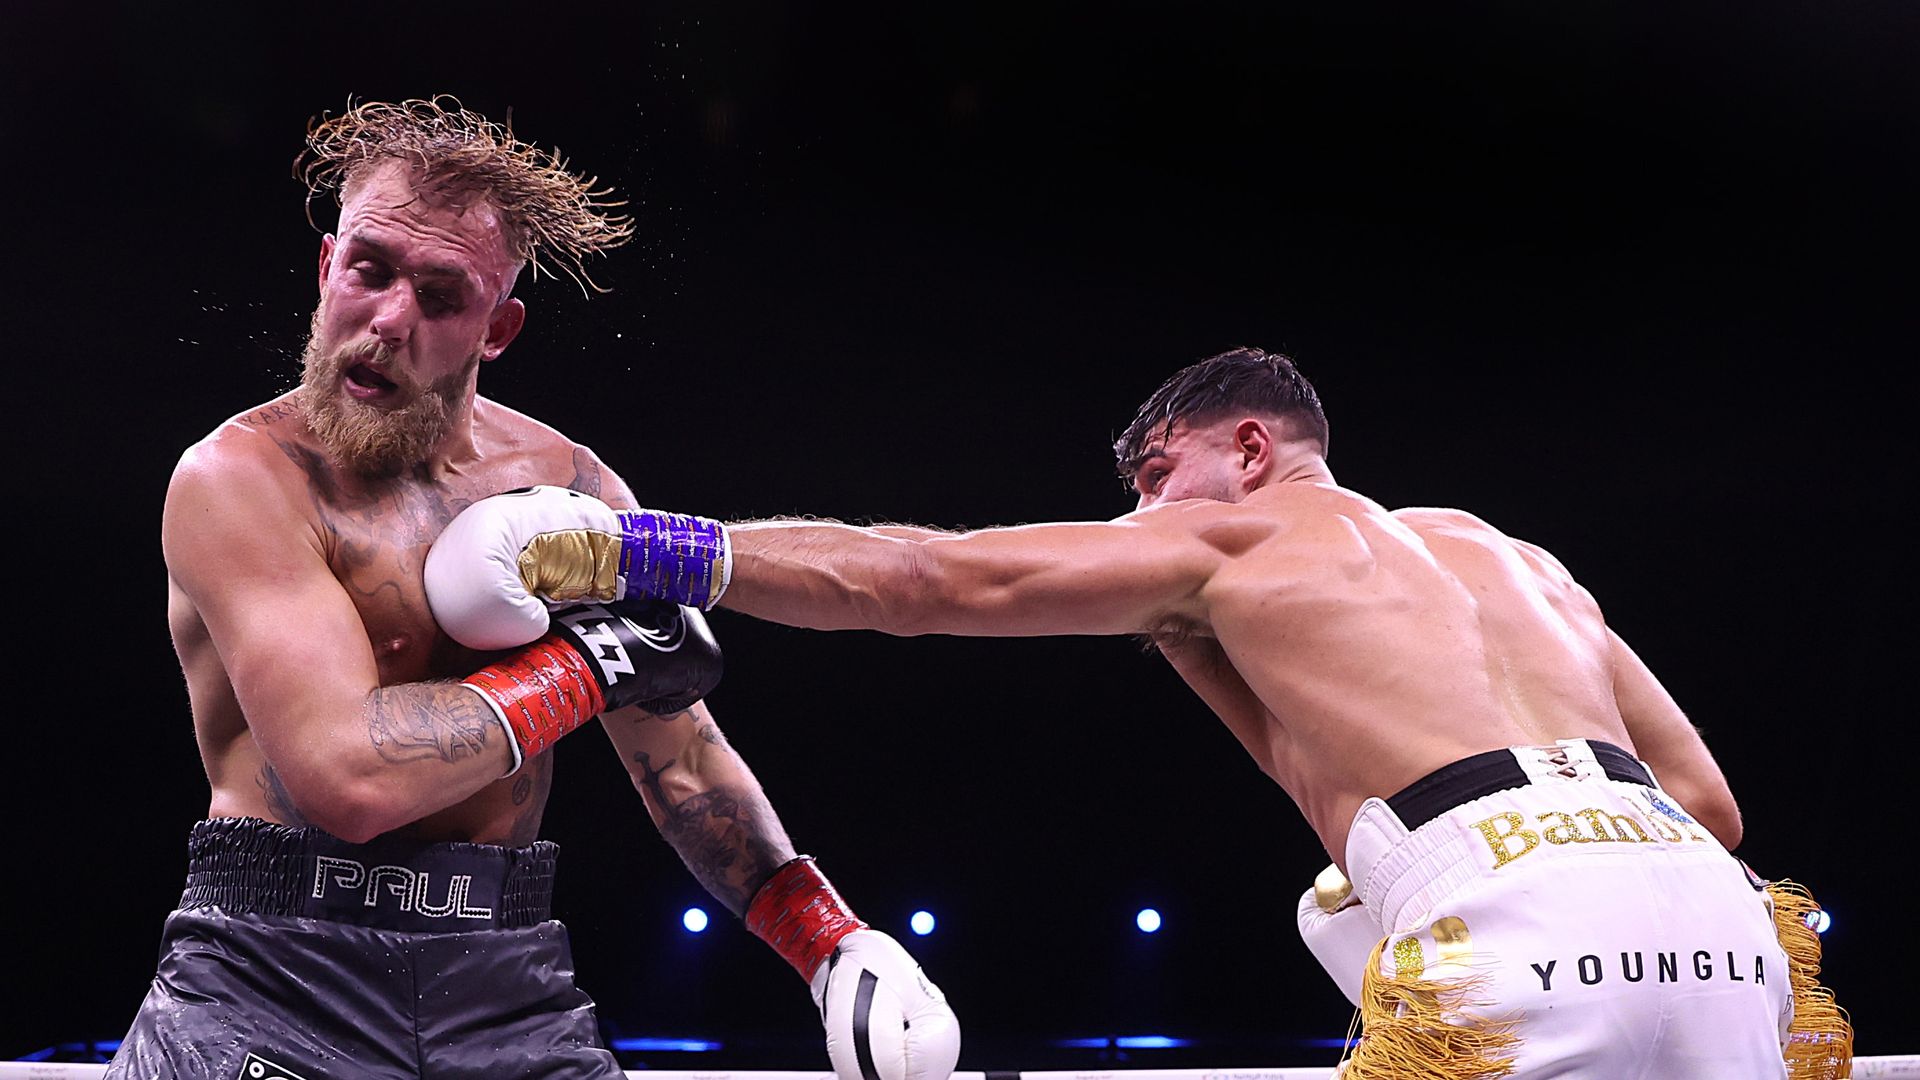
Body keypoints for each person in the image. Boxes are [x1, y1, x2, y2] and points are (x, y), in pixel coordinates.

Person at [432, 347, 1851, 1078]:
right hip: (1726, 942)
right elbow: (1711, 812)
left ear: (1249, 450)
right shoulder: (1515, 555)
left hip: (1523, 938)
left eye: (1156, 479)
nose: (1140, 522)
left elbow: (922, 579)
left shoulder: (1238, 540)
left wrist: (631, 551)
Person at [111, 97, 957, 1080]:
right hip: (271, 969)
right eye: (370, 270)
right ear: (326, 266)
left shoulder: (572, 487)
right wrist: (590, 664)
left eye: (440, 295)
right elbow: (348, 780)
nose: (387, 320)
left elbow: (678, 758)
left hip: (502, 974)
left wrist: (828, 940)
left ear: (498, 326)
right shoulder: (241, 479)